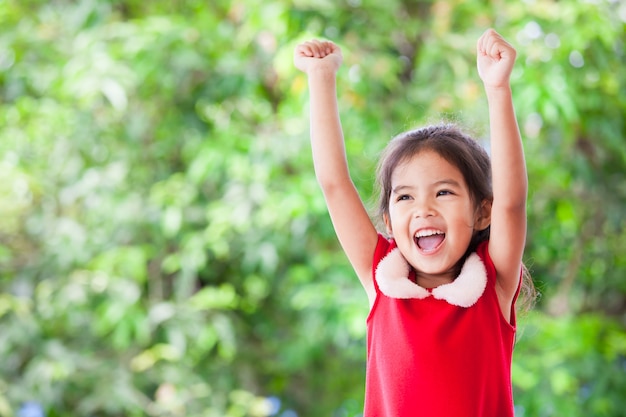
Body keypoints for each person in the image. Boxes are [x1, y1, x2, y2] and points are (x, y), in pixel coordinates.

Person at [294, 28, 535, 416]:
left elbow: (512, 203)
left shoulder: (494, 284)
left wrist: (498, 89)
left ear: (481, 212)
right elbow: (334, 184)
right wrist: (321, 78)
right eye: (405, 196)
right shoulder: (381, 279)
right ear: (389, 220)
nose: (423, 209)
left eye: (443, 192)